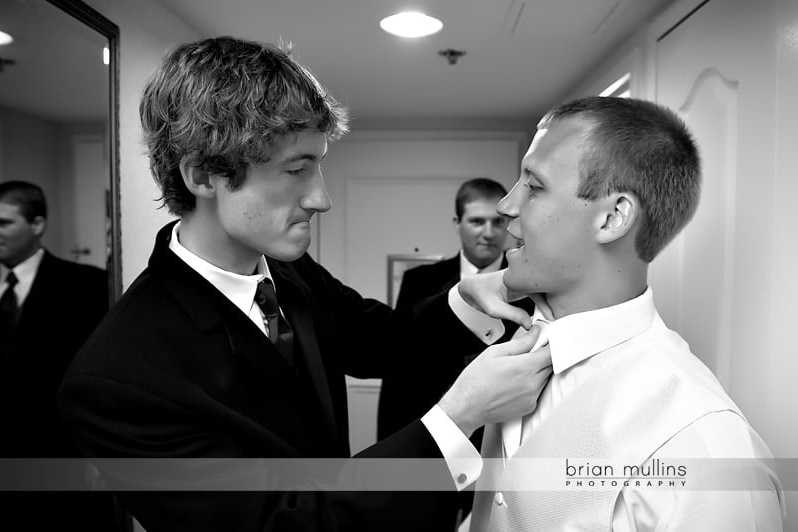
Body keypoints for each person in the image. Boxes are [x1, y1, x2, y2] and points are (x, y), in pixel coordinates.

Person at [57, 37, 553, 532]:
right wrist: (458, 418)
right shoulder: (115, 380)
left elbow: (387, 343)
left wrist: (468, 299)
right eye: (296, 170)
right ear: (204, 176)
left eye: (318, 165)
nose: (321, 199)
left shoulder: (291, 273)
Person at [463, 96, 785, 531]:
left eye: (534, 186)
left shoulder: (703, 449)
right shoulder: (519, 349)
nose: (506, 206)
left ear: (613, 217)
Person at [0, 181, 118, 530]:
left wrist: (100, 454)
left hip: (59, 455)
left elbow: (103, 378)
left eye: (3, 223)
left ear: (37, 225)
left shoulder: (88, 286)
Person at [378, 177, 533, 440]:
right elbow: (401, 365)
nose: (488, 232)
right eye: (476, 221)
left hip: (502, 434)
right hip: (432, 428)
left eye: (497, 222)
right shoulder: (420, 281)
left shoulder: (529, 285)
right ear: (457, 223)